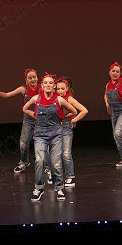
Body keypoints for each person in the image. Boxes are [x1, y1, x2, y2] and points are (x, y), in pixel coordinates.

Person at [23, 73, 78, 201]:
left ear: (54, 86)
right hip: (40, 134)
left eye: (51, 83)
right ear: (42, 86)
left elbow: (74, 111)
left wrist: (62, 117)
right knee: (39, 160)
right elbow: (25, 108)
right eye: (45, 83)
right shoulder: (36, 98)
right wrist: (34, 115)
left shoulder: (59, 99)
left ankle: (59, 188)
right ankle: (39, 188)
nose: (48, 85)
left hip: (55, 134)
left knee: (56, 162)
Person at [0, 69, 40, 173]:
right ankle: (24, 162)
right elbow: (7, 95)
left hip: (41, 120)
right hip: (28, 120)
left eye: (34, 77)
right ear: (26, 80)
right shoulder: (23, 89)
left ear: (37, 78)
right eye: (30, 78)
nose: (32, 79)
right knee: (23, 144)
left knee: (43, 145)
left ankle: (46, 167)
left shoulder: (42, 88)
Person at [55, 77, 88, 188]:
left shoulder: (69, 99)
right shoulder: (54, 98)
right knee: (54, 154)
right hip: (55, 128)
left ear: (67, 88)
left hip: (66, 128)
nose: (60, 91)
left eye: (62, 89)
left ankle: (70, 176)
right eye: (58, 89)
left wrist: (74, 120)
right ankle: (56, 175)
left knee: (66, 153)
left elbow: (84, 110)